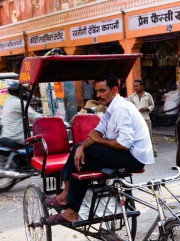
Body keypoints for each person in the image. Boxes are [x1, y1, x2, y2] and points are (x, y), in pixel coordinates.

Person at [43, 73, 154, 225]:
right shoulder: (111, 108)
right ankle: (68, 204)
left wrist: (98, 141)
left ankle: (67, 202)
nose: (98, 95)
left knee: (84, 156)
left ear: (114, 90)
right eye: (97, 91)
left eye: (102, 91)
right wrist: (82, 147)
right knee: (80, 152)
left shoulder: (121, 108)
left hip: (134, 158)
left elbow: (124, 143)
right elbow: (96, 132)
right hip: (125, 154)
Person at [0, 80, 41, 147]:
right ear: (20, 92)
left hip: (6, 136)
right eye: (24, 91)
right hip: (17, 138)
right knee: (41, 142)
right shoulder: (19, 103)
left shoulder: (8, 101)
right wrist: (49, 119)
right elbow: (36, 117)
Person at [128, 79, 157, 157]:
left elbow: (152, 105)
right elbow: (128, 106)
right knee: (137, 136)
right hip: (135, 120)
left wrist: (146, 108)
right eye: (134, 86)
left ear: (142, 86)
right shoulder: (132, 96)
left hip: (146, 119)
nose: (135, 88)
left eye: (137, 86)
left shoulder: (148, 95)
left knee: (149, 135)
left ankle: (153, 152)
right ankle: (138, 152)